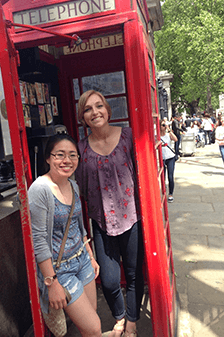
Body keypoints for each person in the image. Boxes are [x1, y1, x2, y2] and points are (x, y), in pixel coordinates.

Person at [75, 90, 144, 337]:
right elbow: (77, 188)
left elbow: (143, 175)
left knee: (135, 274)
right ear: (82, 117)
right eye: (88, 109)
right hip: (101, 223)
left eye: (99, 106)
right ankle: (119, 316)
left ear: (107, 109)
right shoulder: (81, 148)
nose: (95, 112)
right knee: (110, 280)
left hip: (132, 218)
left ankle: (131, 323)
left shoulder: (127, 136)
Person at [28, 133, 102, 337]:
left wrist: (91, 255)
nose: (66, 161)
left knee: (90, 319)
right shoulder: (40, 190)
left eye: (72, 155)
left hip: (83, 260)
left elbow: (79, 226)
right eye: (60, 155)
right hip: (61, 270)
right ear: (48, 158)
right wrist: (51, 282)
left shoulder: (73, 184)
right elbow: (39, 240)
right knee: (94, 327)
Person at [160, 120, 177, 203]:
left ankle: (170, 194)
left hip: (170, 157)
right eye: (162, 125)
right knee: (163, 177)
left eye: (164, 125)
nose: (164, 126)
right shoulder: (156, 136)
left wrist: (169, 129)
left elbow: (176, 139)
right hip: (162, 158)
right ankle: (163, 192)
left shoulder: (168, 134)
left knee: (170, 177)